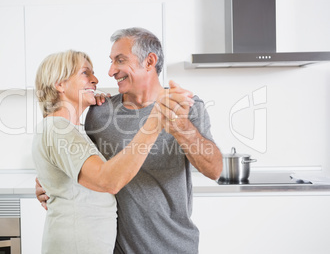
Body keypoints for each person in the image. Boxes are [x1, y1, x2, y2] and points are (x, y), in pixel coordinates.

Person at [36, 28, 223, 253]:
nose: (111, 71)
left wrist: (181, 127)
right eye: (111, 61)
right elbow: (91, 169)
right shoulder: (100, 114)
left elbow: (215, 170)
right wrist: (51, 180)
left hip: (173, 244)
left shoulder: (185, 107)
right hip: (118, 247)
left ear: (149, 61)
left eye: (120, 60)